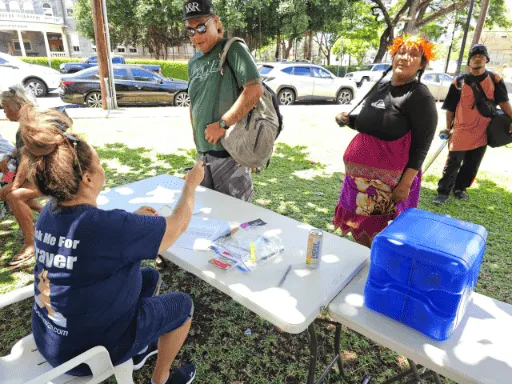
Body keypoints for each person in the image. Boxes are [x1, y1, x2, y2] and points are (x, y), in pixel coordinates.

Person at [20, 106, 203, 384]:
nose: (102, 167)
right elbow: (176, 226)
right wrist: (190, 186)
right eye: (99, 163)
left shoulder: (50, 212)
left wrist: (133, 221)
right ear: (88, 178)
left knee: (150, 276)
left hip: (51, 338)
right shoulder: (108, 227)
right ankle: (161, 379)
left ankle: (139, 349)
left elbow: (96, 238)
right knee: (182, 305)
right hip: (87, 353)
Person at [334, 35, 438, 247]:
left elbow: (421, 146)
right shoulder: (381, 87)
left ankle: (373, 274)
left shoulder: (419, 96)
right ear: (393, 56)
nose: (405, 58)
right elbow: (370, 122)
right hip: (357, 183)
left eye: (413, 55)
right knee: (359, 233)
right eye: (401, 52)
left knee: (378, 238)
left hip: (386, 188)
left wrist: (405, 185)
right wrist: (348, 120)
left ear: (422, 64)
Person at [184, 0, 264, 202]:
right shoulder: (193, 62)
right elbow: (195, 101)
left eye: (201, 27)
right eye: (190, 30)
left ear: (215, 22)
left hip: (230, 155)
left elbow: (254, 90)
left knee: (236, 219)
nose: (196, 36)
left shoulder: (232, 49)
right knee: (208, 215)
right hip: (203, 154)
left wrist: (222, 124)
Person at [433, 44, 512, 205]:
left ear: (486, 59)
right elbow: (450, 108)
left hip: (483, 129)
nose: (477, 57)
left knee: (472, 163)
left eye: (481, 55)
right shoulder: (458, 82)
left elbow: (503, 102)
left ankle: (460, 188)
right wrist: (448, 127)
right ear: (469, 61)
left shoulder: (495, 79)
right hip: (461, 128)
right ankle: (443, 192)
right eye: (474, 55)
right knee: (453, 162)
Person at [0, 85, 43, 265]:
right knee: (5, 190)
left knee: (14, 196)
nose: (4, 111)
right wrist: (9, 156)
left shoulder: (31, 124)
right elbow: (20, 152)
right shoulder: (22, 124)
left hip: (41, 176)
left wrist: (14, 185)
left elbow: (27, 161)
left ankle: (30, 243)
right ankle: (50, 213)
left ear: (17, 105)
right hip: (18, 171)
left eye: (5, 107)